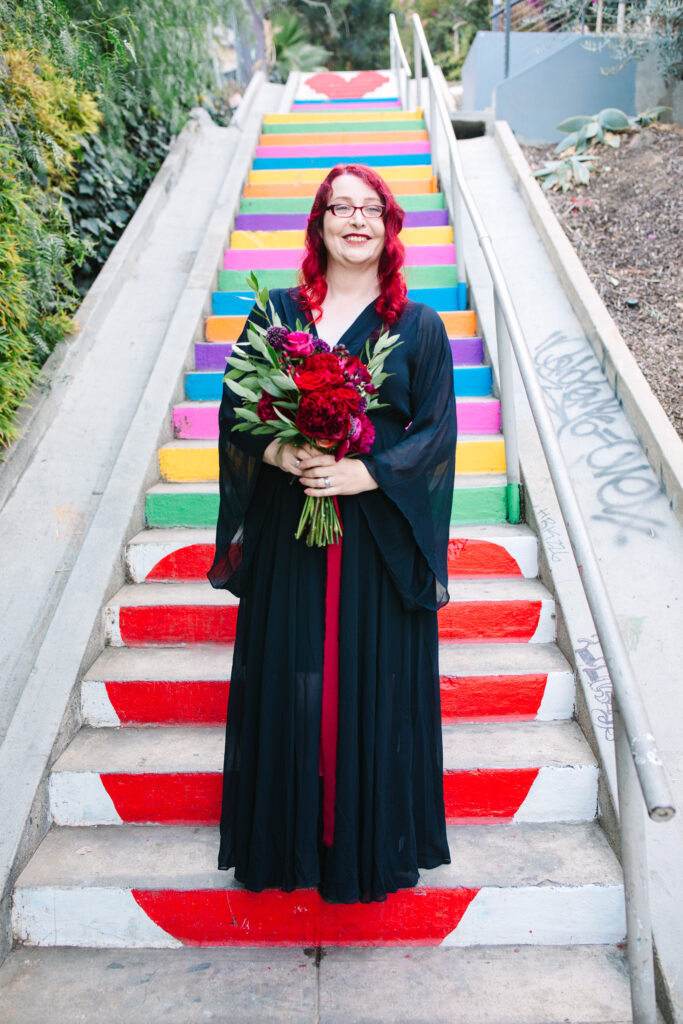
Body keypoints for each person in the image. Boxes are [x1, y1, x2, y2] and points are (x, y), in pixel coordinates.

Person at [208, 163, 458, 904]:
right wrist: (282, 451)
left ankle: (366, 846)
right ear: (318, 225)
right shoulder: (278, 313)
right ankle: (284, 843)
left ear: (389, 227)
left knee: (369, 685)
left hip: (377, 534)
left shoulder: (417, 326)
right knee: (292, 675)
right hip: (293, 524)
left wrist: (368, 473)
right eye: (339, 208)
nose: (356, 221)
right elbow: (235, 412)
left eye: (370, 209)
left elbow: (439, 432)